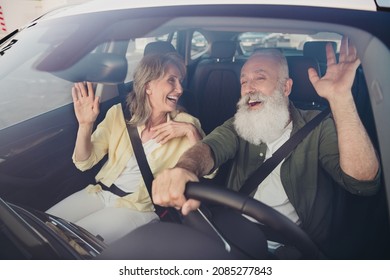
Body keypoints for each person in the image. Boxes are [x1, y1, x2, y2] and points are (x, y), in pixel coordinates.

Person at [151, 37, 381, 251]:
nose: (249, 88)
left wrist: (341, 99)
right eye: (243, 81)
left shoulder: (318, 125)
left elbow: (362, 181)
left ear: (286, 87)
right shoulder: (239, 123)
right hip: (233, 238)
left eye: (259, 78)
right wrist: (184, 168)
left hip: (294, 248)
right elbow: (210, 148)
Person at [46, 52, 204, 245]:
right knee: (44, 227)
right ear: (148, 86)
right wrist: (85, 125)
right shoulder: (118, 114)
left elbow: (210, 172)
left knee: (76, 246)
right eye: (171, 80)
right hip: (99, 193)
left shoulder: (187, 124)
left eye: (180, 81)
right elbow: (84, 162)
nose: (179, 89)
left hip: (137, 207)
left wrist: (191, 132)